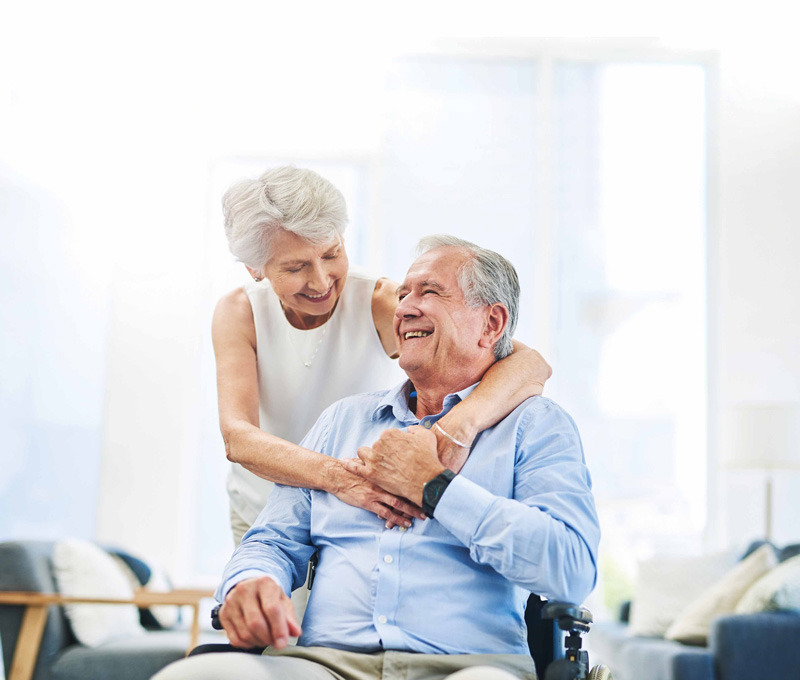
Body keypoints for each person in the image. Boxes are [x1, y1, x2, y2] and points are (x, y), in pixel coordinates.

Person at [157, 236, 600, 680]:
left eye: (429, 292)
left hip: (467, 667)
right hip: (325, 665)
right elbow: (271, 540)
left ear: (491, 323)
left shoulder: (537, 427)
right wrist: (253, 582)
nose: (404, 308)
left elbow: (571, 571)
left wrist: (437, 490)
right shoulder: (343, 421)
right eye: (404, 294)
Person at [214, 166, 553, 546]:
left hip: (352, 509)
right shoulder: (239, 312)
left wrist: (457, 427)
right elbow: (238, 438)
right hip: (263, 508)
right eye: (295, 267)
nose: (322, 280)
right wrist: (337, 476)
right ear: (255, 268)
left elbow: (528, 364)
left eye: (331, 254)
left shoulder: (378, 301)